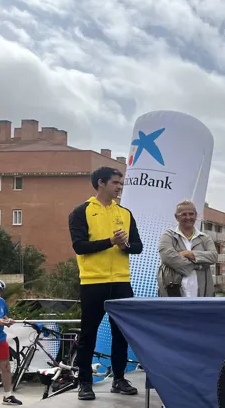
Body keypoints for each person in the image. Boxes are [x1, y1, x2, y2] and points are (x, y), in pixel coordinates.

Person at [68, 166, 143, 400]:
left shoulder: (125, 213)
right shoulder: (82, 212)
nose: (119, 187)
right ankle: (84, 383)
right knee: (88, 334)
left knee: (120, 333)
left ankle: (119, 379)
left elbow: (138, 247)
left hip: (121, 281)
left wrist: (124, 246)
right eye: (115, 183)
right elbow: (79, 246)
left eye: (121, 184)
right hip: (93, 281)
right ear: (101, 183)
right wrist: (110, 241)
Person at [157, 200, 218, 297]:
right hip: (174, 292)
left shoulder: (205, 238)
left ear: (196, 215)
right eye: (184, 214)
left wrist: (189, 254)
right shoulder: (168, 235)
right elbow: (167, 257)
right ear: (176, 217)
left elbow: (214, 256)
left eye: (191, 214)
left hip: (202, 294)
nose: (188, 217)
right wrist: (199, 265)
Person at [0, 279, 22, 405]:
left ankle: (8, 396)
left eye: (0, 292)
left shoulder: (2, 302)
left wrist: (8, 321)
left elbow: (4, 316)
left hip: (0, 339)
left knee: (6, 367)